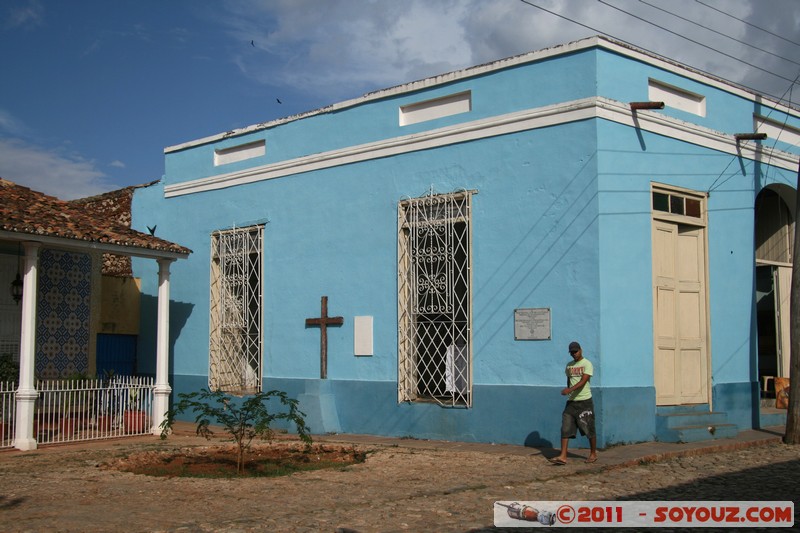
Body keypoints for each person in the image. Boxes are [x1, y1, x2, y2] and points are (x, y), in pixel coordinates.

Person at [549, 341, 597, 465]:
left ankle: (593, 453)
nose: (574, 354)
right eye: (572, 352)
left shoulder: (587, 364)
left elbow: (583, 381)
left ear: (581, 350)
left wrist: (569, 390)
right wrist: (569, 392)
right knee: (565, 427)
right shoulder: (569, 366)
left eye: (576, 351)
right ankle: (563, 456)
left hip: (584, 401)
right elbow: (569, 380)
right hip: (571, 402)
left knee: (588, 428)